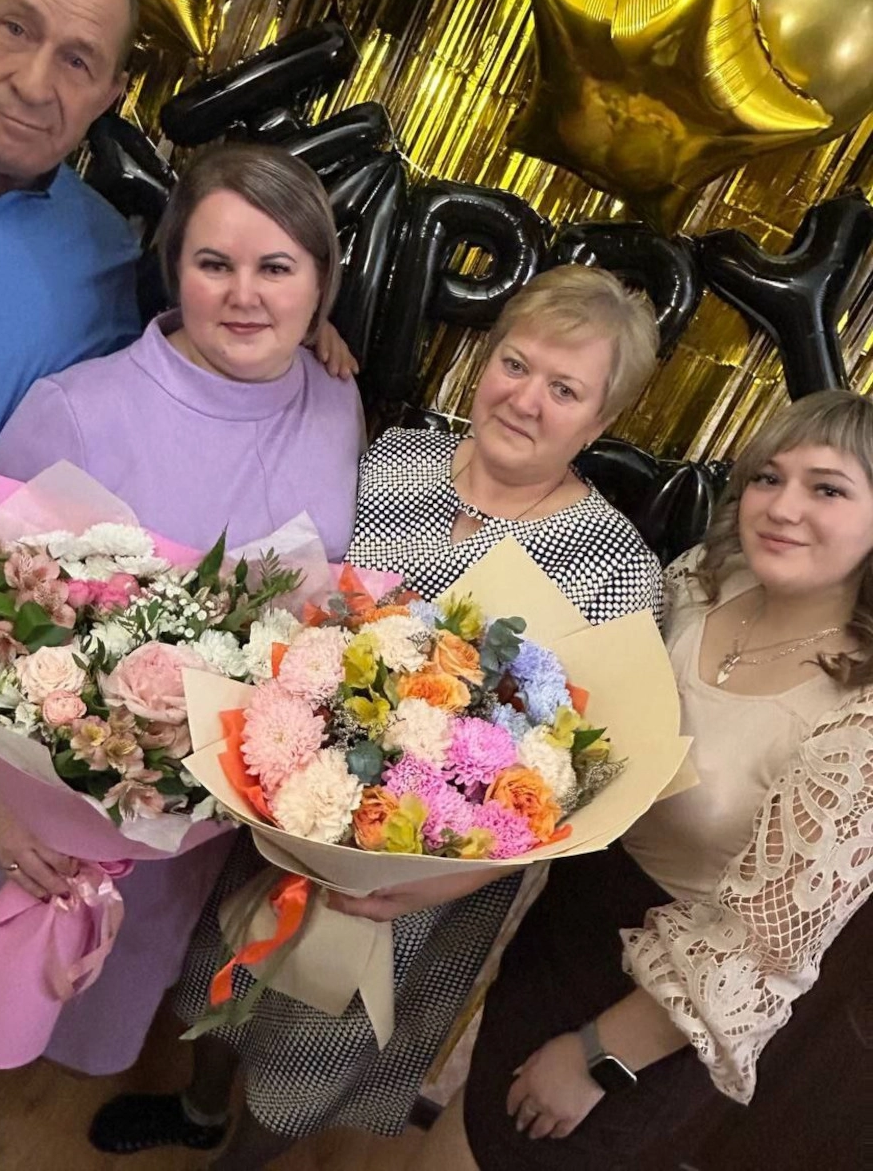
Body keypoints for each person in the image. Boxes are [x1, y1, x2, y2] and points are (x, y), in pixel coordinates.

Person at [91, 265, 664, 1167]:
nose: (525, 400)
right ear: (485, 357)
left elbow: (585, 775)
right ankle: (198, 1108)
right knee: (227, 973)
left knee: (314, 1046)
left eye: (565, 390)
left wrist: (436, 880)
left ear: (601, 421)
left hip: (434, 872)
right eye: (515, 364)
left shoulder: (617, 567)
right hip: (294, 802)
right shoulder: (395, 459)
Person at [0, 141, 365, 1171]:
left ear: (321, 284)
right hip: (42, 777)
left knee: (108, 975)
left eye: (276, 267)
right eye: (214, 263)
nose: (244, 294)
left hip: (196, 802)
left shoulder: (338, 401)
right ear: (173, 269)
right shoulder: (79, 407)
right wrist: (0, 795)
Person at [0, 0, 355, 820]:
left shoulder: (104, 252)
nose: (34, 81)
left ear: (109, 91)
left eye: (77, 60)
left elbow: (187, 362)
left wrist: (313, 332)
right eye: (15, 28)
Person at [427, 388, 873, 1170]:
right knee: (470, 1126)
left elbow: (759, 951)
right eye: (769, 477)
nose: (782, 506)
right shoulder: (707, 579)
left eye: (827, 489)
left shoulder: (859, 724)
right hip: (568, 915)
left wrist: (600, 1055)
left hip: (656, 1005)